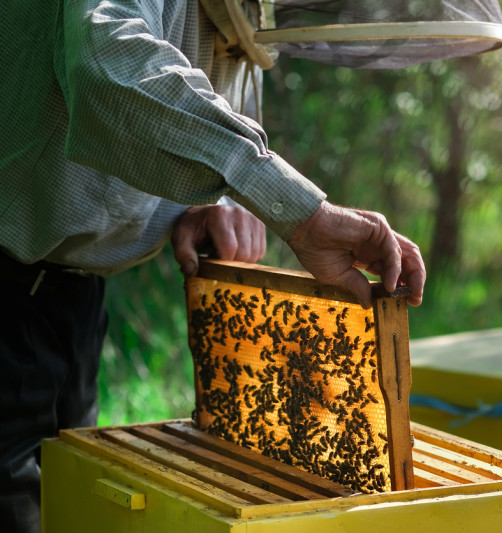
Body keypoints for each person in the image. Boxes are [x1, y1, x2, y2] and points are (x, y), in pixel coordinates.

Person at [0, 1, 426, 531]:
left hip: (74, 304)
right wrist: (299, 210)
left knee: (73, 508)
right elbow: (106, 62)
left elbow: (177, 128)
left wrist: (204, 207)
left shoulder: (244, 20)